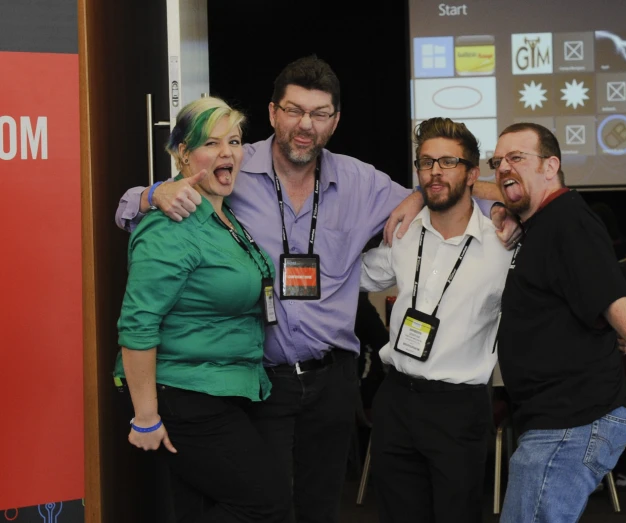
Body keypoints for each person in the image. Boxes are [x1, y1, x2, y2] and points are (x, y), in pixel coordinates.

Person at [114, 55, 519, 523]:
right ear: (272, 113)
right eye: (294, 110)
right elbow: (130, 212)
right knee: (266, 505)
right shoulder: (230, 168)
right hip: (261, 379)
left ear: (335, 121)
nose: (305, 125)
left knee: (319, 507)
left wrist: (501, 203)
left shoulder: (361, 182)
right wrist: (150, 194)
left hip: (333, 379)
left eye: (320, 114)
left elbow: (443, 189)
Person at [490, 122, 626, 522]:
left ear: (550, 166)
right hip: (556, 420)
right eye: (498, 161)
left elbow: (613, 297)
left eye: (517, 158)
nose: (504, 167)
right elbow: (486, 186)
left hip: (572, 421)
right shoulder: (542, 221)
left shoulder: (569, 222)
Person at [115, 97, 276, 522]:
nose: (227, 153)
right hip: (184, 395)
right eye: (212, 142)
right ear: (184, 155)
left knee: (196, 507)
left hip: (221, 389)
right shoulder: (170, 225)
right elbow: (138, 323)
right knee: (265, 504)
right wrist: (145, 418)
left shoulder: (224, 216)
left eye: (236, 141)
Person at [360, 117, 513, 523]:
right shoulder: (403, 233)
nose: (434, 172)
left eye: (448, 162)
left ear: (472, 173)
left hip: (458, 407)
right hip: (396, 400)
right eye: (426, 163)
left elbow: (552, 206)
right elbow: (349, 277)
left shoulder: (504, 244)